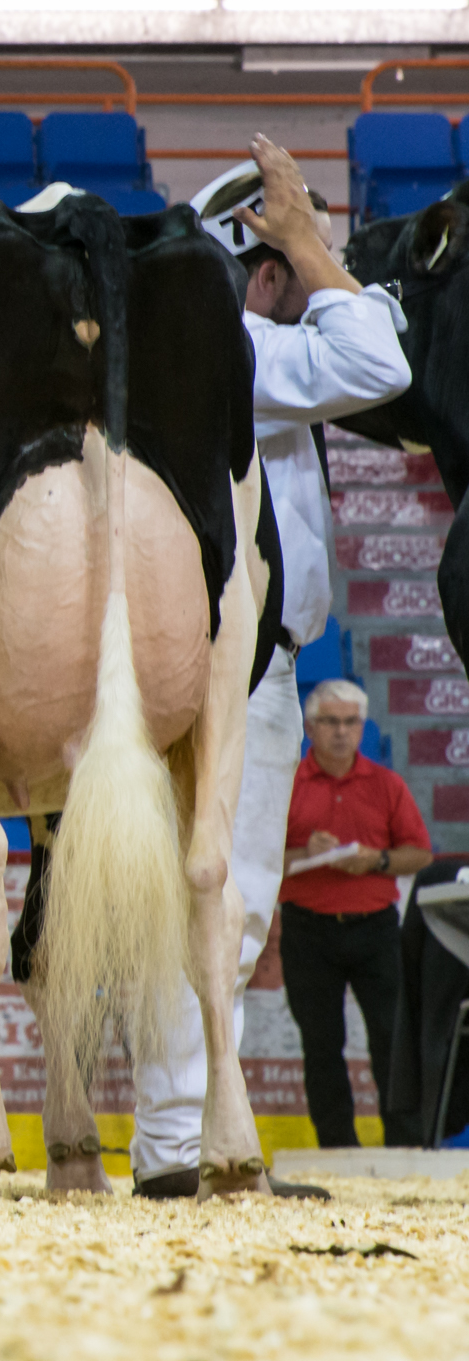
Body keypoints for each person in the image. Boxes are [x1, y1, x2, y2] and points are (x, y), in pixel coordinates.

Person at [128, 136, 412, 1197]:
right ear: (259, 268)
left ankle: (184, 1134)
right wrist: (302, 238)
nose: (323, 286)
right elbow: (383, 361)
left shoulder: (230, 345)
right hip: (237, 667)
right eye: (299, 265)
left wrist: (309, 248)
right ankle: (176, 1144)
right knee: (223, 897)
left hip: (229, 660)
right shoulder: (239, 346)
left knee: (210, 896)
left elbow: (376, 332)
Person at [276, 680, 429, 1149]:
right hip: (307, 929)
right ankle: (336, 1146)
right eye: (330, 722)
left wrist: (376, 860)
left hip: (376, 930)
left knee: (392, 1040)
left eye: (349, 722)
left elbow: (419, 854)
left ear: (363, 727)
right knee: (321, 1045)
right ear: (309, 727)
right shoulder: (285, 786)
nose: (341, 732)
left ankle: (405, 1144)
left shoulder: (386, 784)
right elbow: (258, 861)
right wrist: (304, 852)